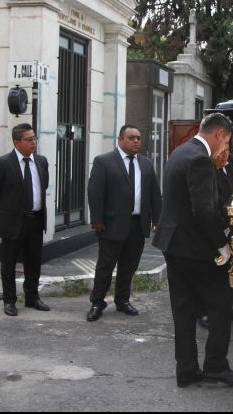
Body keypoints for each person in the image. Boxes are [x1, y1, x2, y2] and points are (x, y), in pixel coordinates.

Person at [152, 112, 233, 388]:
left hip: (173, 244)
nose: (224, 149)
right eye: (226, 141)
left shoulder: (180, 152)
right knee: (220, 306)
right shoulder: (200, 159)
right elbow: (203, 212)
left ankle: (186, 370)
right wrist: (223, 246)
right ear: (219, 134)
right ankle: (216, 367)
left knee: (183, 311)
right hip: (195, 248)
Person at [86, 124, 162, 322]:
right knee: (105, 265)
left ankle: (122, 300)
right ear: (120, 140)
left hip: (138, 224)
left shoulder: (145, 163)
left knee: (129, 266)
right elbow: (95, 192)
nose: (136, 140)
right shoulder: (104, 161)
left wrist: (157, 217)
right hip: (111, 224)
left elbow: (154, 192)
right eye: (131, 137)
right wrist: (97, 219)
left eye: (138, 137)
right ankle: (97, 302)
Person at [0, 123, 50, 317]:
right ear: (17, 142)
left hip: (36, 220)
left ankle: (32, 297)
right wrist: (8, 212)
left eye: (34, 138)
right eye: (28, 139)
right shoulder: (3, 163)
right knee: (9, 263)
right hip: (13, 221)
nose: (33, 142)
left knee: (34, 261)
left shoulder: (41, 161)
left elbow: (43, 185)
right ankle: (9, 300)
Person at [196, 146, 233, 329]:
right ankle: (203, 312)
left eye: (226, 151)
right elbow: (206, 206)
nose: (224, 156)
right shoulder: (204, 170)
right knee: (209, 271)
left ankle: (225, 308)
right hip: (211, 229)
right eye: (220, 153)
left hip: (230, 227)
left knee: (225, 272)